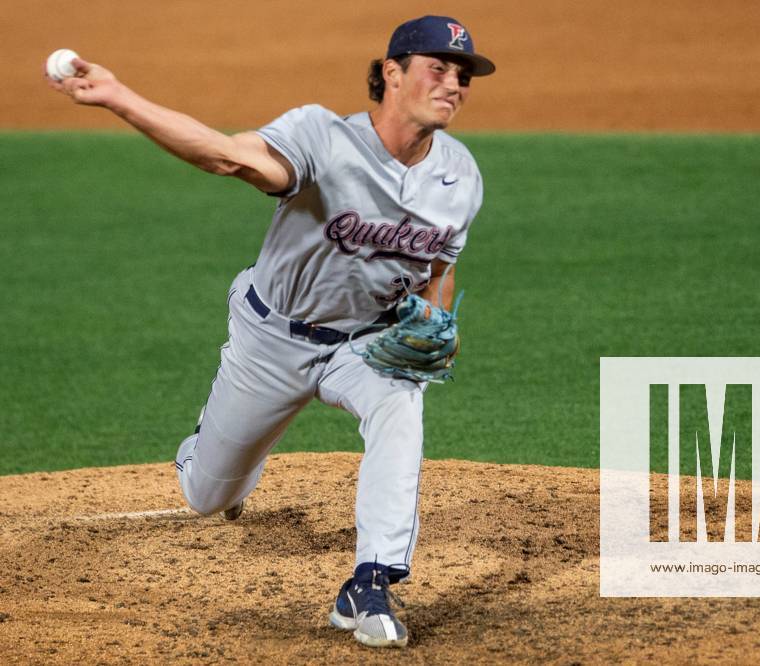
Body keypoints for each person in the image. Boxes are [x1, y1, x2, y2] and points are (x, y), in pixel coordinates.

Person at [45, 15, 495, 649]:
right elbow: (229, 157)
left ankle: (371, 580)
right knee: (206, 496)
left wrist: (437, 320)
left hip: (363, 342)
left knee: (400, 400)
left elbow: (439, 269)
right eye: (438, 69)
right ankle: (213, 452)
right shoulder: (320, 137)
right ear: (391, 73)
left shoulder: (460, 175)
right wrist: (119, 96)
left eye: (463, 75)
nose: (454, 84)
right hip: (271, 340)